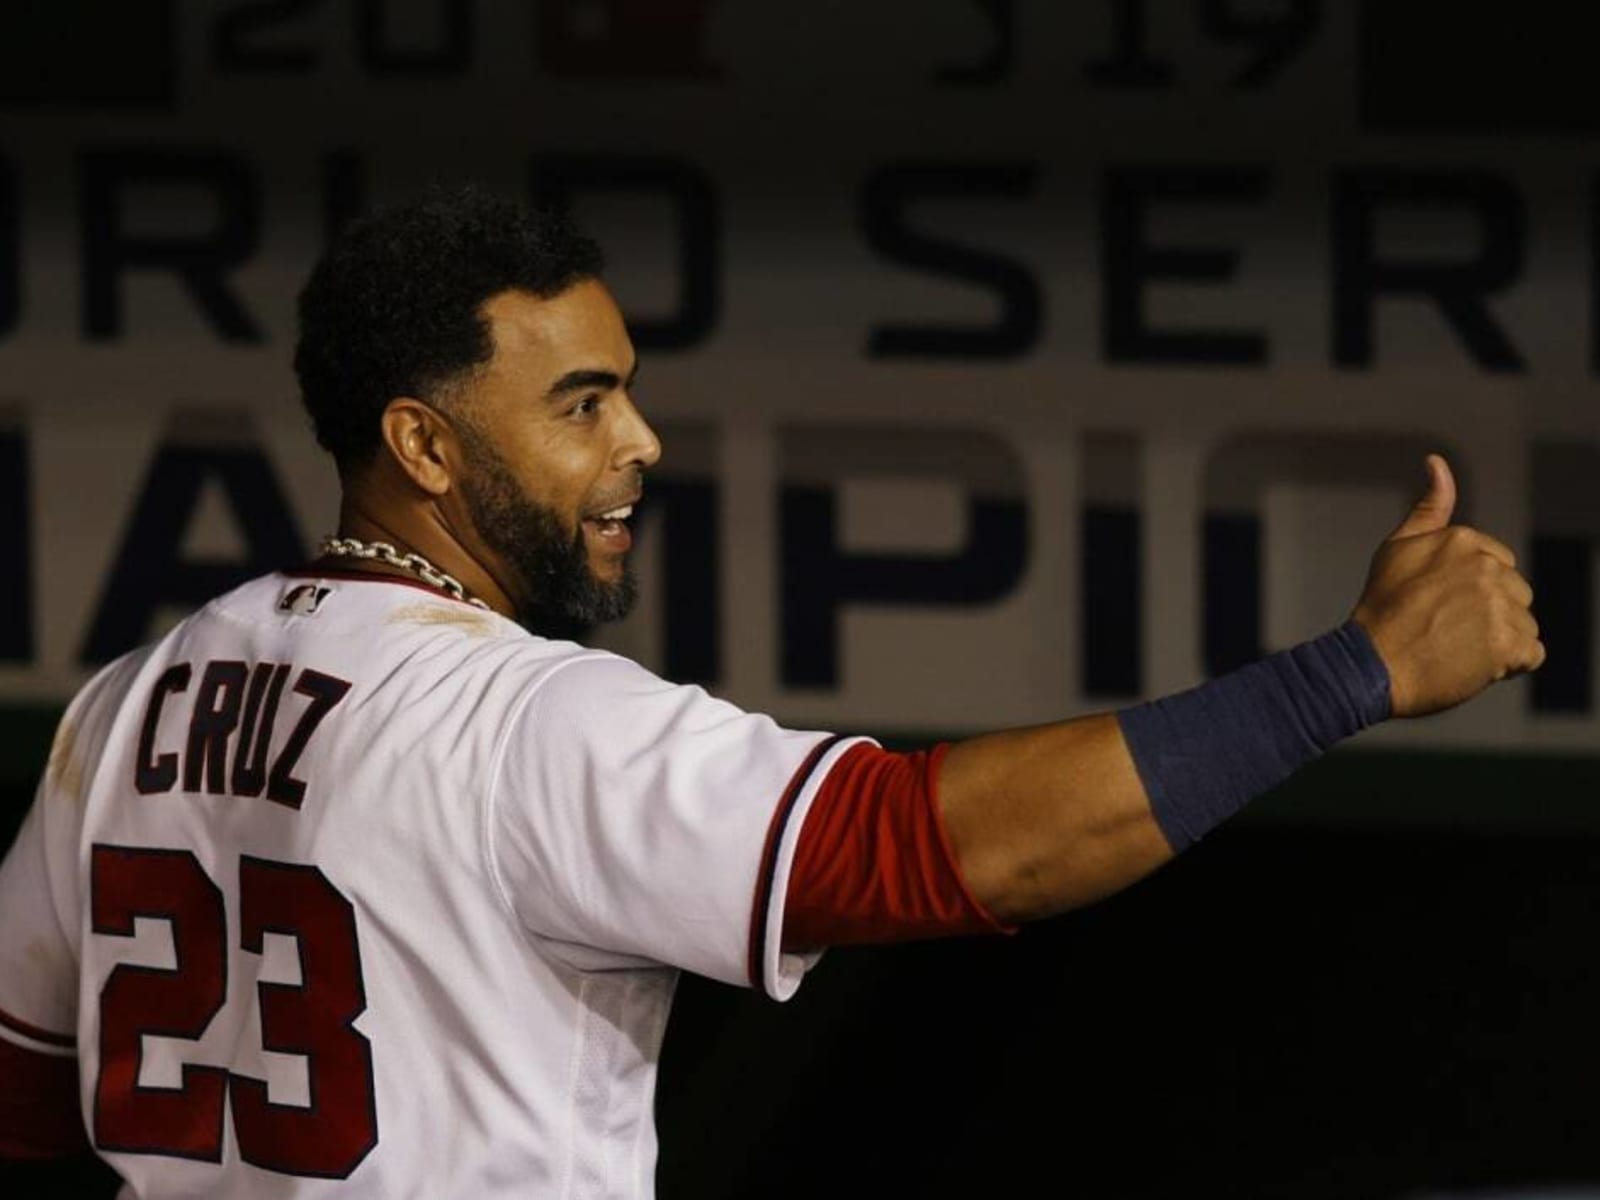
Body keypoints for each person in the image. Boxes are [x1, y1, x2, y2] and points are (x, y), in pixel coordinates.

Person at [0, 186, 1543, 1197]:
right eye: (582, 403)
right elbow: (933, 847)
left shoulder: (129, 704)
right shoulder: (516, 723)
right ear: (424, 447)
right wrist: (1353, 675)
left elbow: (22, 1087)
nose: (642, 443)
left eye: (629, 391)